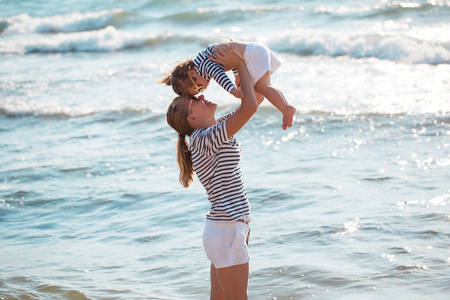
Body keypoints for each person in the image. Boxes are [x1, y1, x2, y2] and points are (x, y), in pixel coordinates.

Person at [165, 47, 258, 299]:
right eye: (195, 101)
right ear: (192, 118)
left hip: (226, 226)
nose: (202, 97)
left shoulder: (214, 130)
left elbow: (252, 101)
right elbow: (249, 107)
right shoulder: (204, 138)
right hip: (227, 227)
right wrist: (238, 63)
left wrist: (242, 71)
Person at [161, 40, 296, 130]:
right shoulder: (202, 58)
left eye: (199, 88)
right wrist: (237, 75)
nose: (204, 89)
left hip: (252, 55)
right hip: (254, 50)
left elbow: (219, 75)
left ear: (191, 74)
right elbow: (231, 55)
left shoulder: (203, 66)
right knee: (264, 86)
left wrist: (232, 90)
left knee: (262, 87)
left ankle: (286, 108)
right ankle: (285, 106)